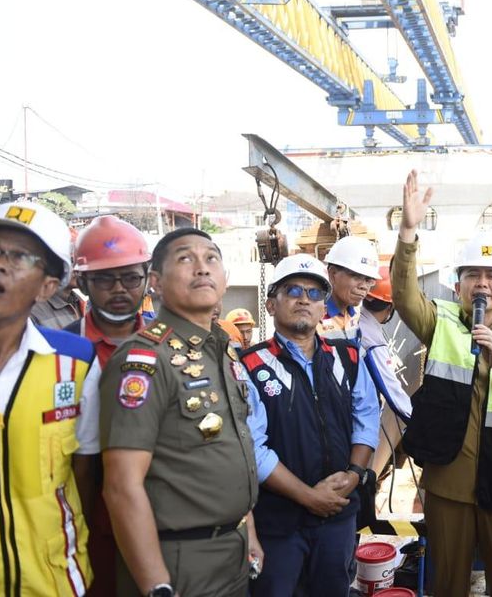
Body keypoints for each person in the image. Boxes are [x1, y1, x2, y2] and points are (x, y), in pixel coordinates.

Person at [394, 170, 492, 597]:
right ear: (458, 284)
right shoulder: (440, 321)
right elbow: (404, 296)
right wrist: (409, 232)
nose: (482, 283)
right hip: (449, 482)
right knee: (448, 584)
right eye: (472, 275)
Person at [99, 227, 261, 597]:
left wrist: (247, 528)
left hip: (232, 553)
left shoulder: (221, 348)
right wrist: (157, 584)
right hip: (178, 561)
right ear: (154, 281)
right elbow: (122, 486)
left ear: (224, 279)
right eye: (186, 258)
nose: (202, 268)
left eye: (211, 258)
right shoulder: (145, 360)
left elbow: (230, 447)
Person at [241, 253, 379, 597]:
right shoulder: (249, 366)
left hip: (337, 517)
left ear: (323, 308)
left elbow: (367, 417)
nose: (305, 299)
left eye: (315, 294)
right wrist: (308, 497)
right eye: (292, 291)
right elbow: (251, 449)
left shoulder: (347, 357)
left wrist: (353, 475)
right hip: (279, 523)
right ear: (271, 304)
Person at [0, 200, 100, 595]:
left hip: (54, 583)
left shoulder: (76, 362)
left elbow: (84, 475)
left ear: (48, 286)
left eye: (18, 256)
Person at [64, 214, 153, 597]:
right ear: (83, 282)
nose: (119, 288)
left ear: (147, 277)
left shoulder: (167, 343)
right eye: (104, 279)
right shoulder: (61, 352)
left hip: (160, 513)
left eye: (130, 277)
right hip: (87, 519)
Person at [360, 264, 414, 476]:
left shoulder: (355, 320)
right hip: (360, 424)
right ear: (391, 308)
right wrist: (417, 422)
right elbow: (391, 388)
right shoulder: (371, 338)